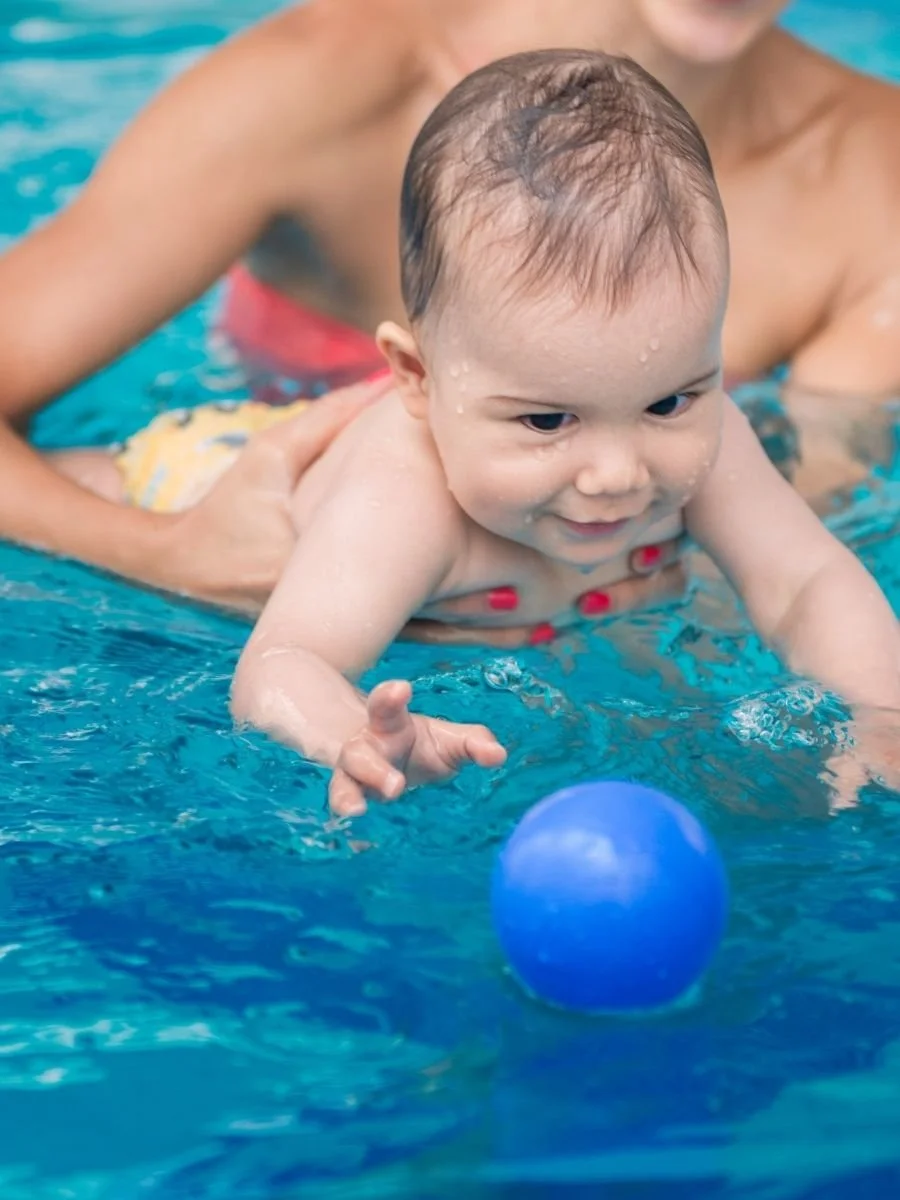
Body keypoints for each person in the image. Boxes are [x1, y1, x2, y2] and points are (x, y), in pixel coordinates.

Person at [49, 51, 900, 815]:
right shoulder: (401, 497)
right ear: (416, 379)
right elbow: (281, 662)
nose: (615, 471)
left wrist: (879, 714)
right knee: (92, 487)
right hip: (208, 469)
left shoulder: (710, 439)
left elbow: (809, 582)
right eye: (546, 419)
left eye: (671, 401)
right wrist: (349, 732)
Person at [1, 0, 899, 628]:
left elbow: (776, 565)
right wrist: (163, 556)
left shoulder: (877, 180)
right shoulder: (319, 82)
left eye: (673, 396)